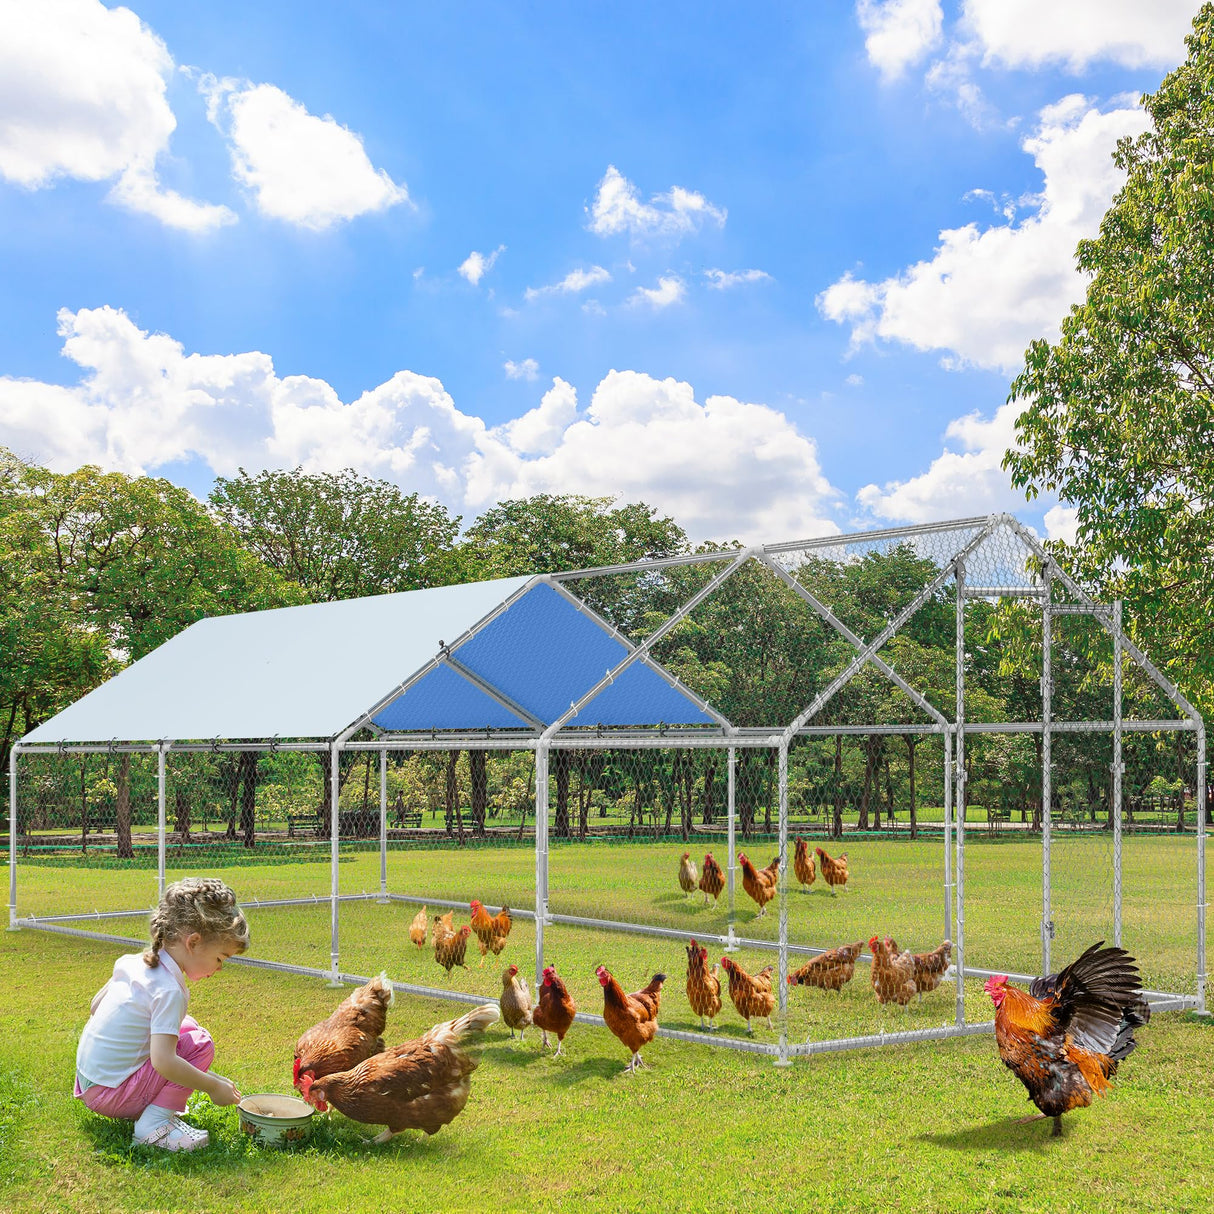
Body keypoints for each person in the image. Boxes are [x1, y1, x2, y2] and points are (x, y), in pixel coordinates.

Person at [74, 877, 249, 1151]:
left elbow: (96, 1006)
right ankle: (153, 1126)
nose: (219, 969)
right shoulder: (169, 990)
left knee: (186, 1028)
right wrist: (212, 1087)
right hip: (112, 1094)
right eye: (220, 958)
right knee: (199, 1043)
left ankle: (151, 1105)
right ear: (193, 942)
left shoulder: (133, 963)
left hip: (89, 1083)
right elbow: (164, 1063)